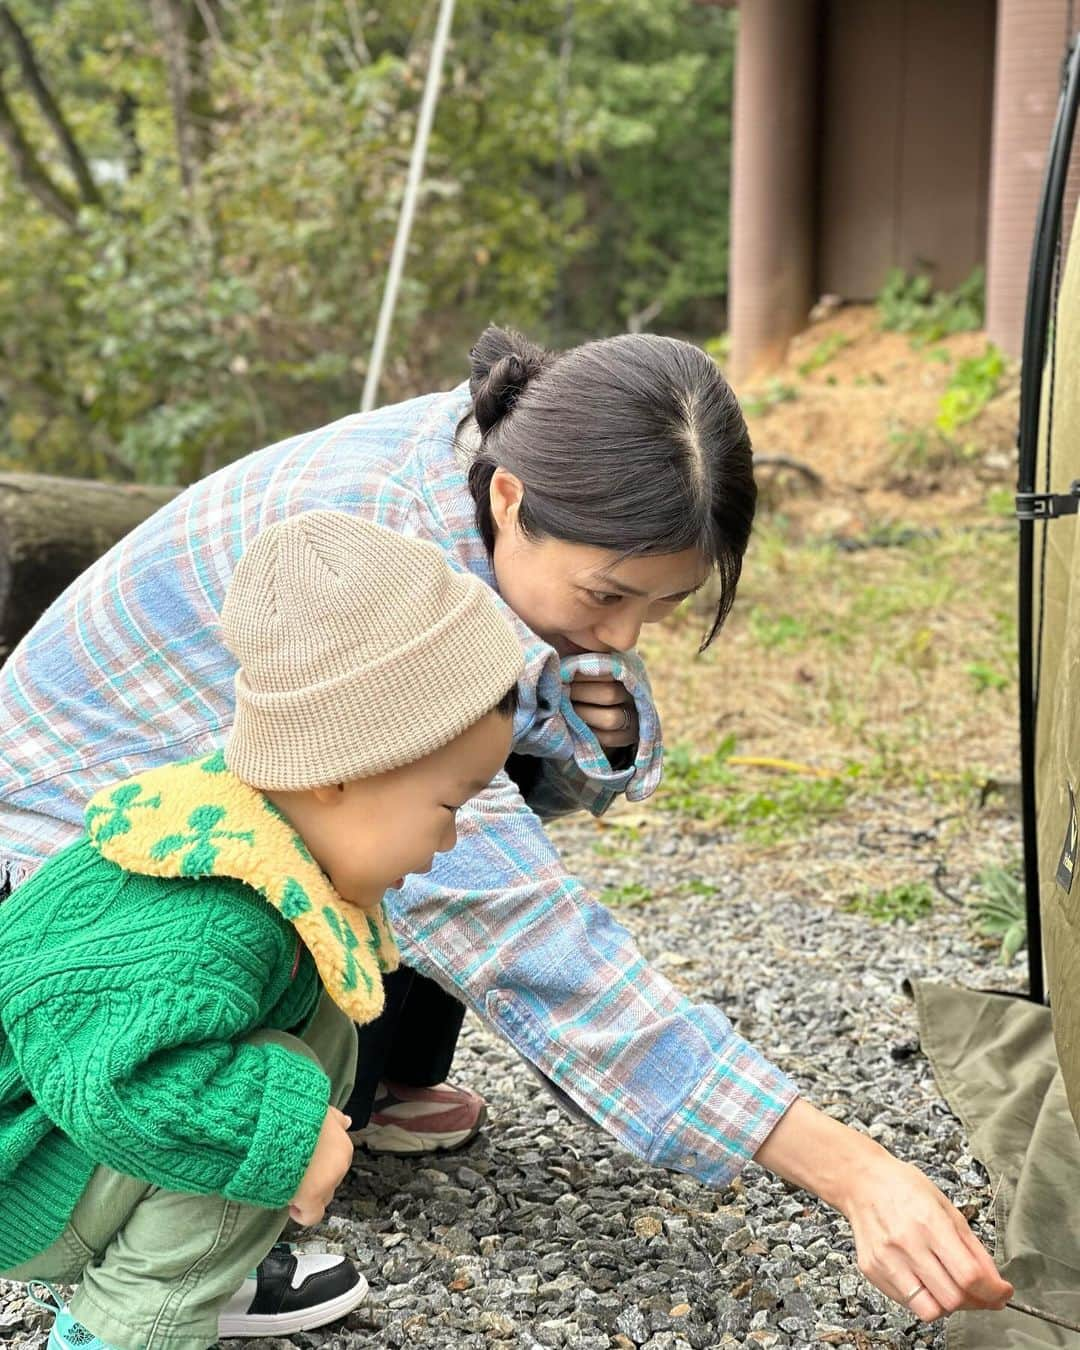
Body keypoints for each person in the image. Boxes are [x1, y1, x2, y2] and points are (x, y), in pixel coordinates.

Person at [0, 327, 1012, 1322]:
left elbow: (515, 773)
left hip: (230, 796)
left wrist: (589, 714)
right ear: (510, 502)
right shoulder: (390, 576)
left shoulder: (505, 452)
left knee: (452, 786)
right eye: (609, 595)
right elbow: (530, 938)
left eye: (658, 611)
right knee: (259, 1036)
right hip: (72, 861)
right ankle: (168, 1244)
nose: (621, 638)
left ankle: (376, 1086)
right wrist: (854, 1172)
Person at [0, 512, 525, 1350]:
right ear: (343, 774)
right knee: (275, 1092)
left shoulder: (245, 826)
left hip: (39, 1142)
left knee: (294, 1056)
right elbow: (109, 1075)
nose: (450, 840)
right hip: (21, 1172)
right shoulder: (215, 910)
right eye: (448, 806)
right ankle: (123, 1325)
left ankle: (206, 1261)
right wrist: (285, 1132)